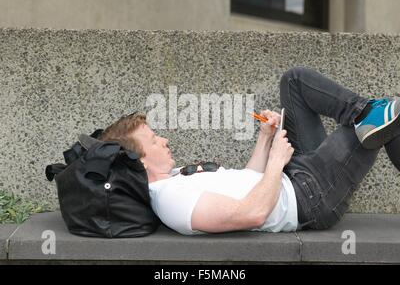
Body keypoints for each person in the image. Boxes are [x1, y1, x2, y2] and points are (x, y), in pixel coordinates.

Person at [99, 66, 400, 235]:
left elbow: (246, 183)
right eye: (153, 140)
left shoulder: (174, 178)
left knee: (294, 82)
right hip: (309, 198)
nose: (163, 140)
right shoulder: (171, 200)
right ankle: (372, 114)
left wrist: (265, 138)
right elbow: (252, 214)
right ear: (139, 159)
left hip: (293, 177)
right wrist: (276, 162)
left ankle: (367, 111)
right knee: (371, 127)